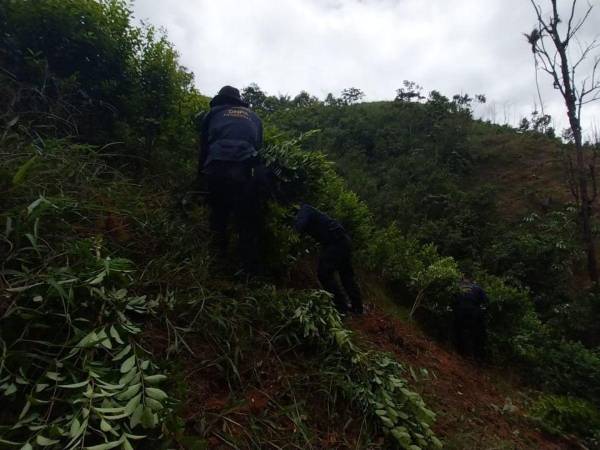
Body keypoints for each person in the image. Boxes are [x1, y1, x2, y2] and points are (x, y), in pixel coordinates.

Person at [197, 85, 264, 275]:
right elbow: (259, 149)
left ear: (221, 100)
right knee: (245, 220)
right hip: (243, 171)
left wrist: (199, 176)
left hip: (216, 168)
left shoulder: (213, 113)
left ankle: (217, 261)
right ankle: (247, 269)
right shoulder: (255, 118)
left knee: (219, 215)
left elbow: (204, 148)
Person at [293, 204, 363, 315]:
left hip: (335, 243)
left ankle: (341, 306)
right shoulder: (311, 212)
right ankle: (357, 308)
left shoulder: (304, 210)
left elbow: (298, 227)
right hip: (343, 241)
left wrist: (291, 235)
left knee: (324, 273)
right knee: (346, 276)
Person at [452, 277, 488, 362]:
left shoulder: (458, 288)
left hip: (459, 313)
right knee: (475, 334)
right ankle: (475, 356)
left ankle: (461, 352)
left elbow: (453, 301)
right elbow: (486, 301)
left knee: (459, 332)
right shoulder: (477, 288)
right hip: (473, 314)